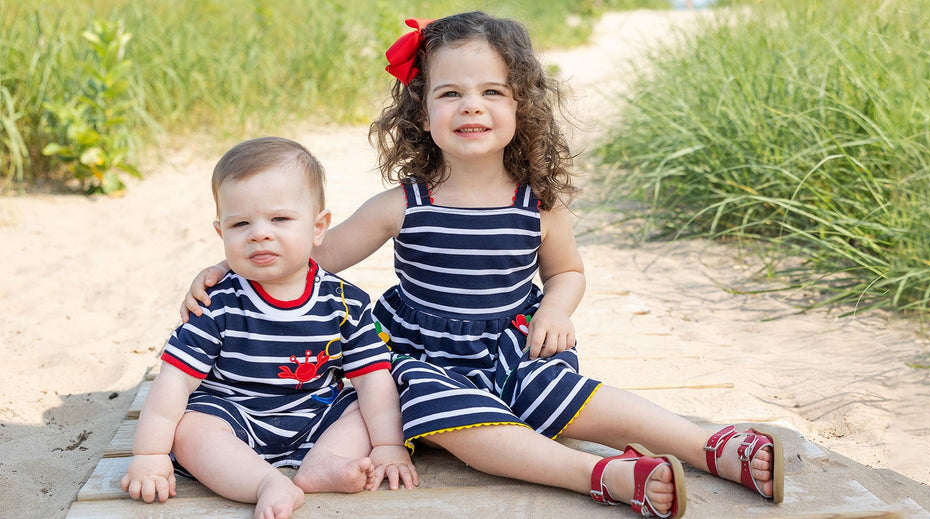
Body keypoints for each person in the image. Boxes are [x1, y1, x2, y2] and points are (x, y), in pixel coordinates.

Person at [182, 12, 782, 518]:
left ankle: (711, 446)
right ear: (421, 112)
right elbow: (315, 257)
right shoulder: (404, 204)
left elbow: (567, 271)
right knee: (443, 415)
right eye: (450, 93)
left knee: (565, 392)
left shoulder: (537, 205)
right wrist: (224, 269)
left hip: (512, 344)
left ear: (522, 107)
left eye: (492, 91)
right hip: (420, 354)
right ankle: (600, 474)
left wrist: (556, 307)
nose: (472, 106)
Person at [129, 137, 418, 519]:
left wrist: (388, 445)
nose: (259, 233)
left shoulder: (345, 302)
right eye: (241, 223)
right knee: (190, 430)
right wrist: (149, 455)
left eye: (280, 219)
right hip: (234, 416)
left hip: (315, 413)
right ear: (222, 234)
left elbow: (371, 378)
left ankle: (323, 462)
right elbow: (174, 381)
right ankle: (264, 481)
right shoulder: (218, 302)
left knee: (366, 408)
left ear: (318, 227)